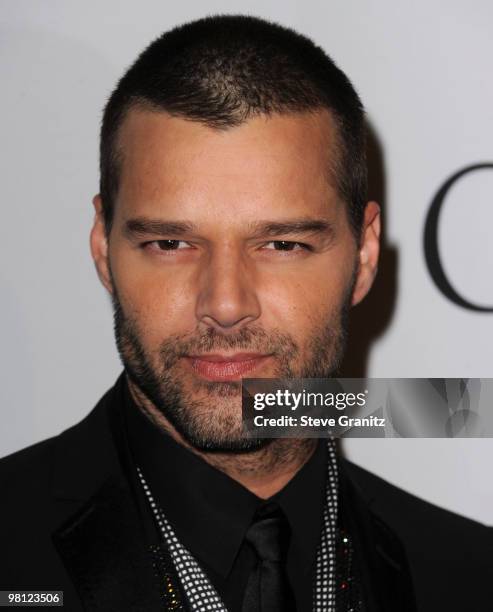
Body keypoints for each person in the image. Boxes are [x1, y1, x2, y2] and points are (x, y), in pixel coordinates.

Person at [0, 14, 490, 612]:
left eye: (281, 245)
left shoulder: (470, 575)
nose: (225, 306)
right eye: (170, 244)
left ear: (363, 256)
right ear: (104, 248)